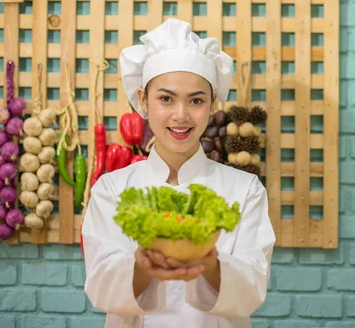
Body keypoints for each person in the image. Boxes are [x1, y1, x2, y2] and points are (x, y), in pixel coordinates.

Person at [81, 18, 276, 328]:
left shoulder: (246, 189)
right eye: (166, 99)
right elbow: (101, 285)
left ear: (213, 103)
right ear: (143, 100)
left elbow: (253, 288)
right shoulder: (111, 189)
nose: (181, 115)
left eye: (196, 100)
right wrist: (142, 267)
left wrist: (211, 265)